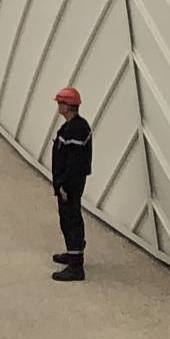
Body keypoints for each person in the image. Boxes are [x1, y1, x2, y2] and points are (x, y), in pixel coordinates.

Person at [50, 86, 93, 281]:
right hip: (68, 183)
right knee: (69, 217)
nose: (58, 106)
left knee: (70, 219)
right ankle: (73, 252)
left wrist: (64, 186)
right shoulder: (74, 126)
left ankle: (76, 266)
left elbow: (74, 163)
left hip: (70, 185)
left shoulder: (76, 130)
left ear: (68, 106)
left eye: (60, 103)